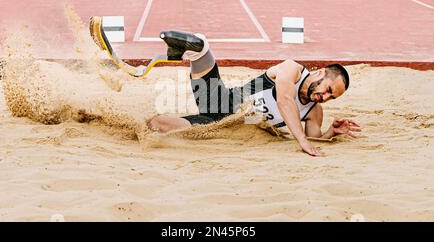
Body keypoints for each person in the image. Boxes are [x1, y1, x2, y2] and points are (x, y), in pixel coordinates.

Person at [148, 30, 361, 157]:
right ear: (320, 72)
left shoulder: (314, 111)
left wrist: (331, 132)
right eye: (329, 90)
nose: (325, 97)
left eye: (332, 98)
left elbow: (314, 139)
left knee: (160, 125)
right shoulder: (292, 69)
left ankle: (198, 50)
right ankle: (199, 48)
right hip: (225, 102)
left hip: (224, 125)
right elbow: (285, 100)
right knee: (207, 92)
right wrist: (301, 141)